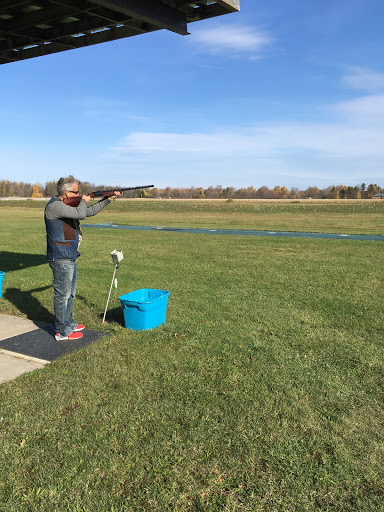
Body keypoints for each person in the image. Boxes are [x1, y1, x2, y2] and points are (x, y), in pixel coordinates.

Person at [44, 176, 122, 341]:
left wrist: (107, 199)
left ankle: (69, 323)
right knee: (62, 295)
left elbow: (89, 211)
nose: (79, 194)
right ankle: (62, 331)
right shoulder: (55, 207)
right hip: (60, 256)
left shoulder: (68, 205)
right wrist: (85, 200)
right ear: (66, 193)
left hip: (69, 254)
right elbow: (81, 213)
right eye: (76, 192)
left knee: (70, 294)